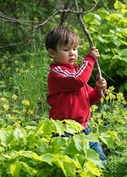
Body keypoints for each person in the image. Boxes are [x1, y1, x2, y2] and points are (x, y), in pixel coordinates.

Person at [45, 26, 107, 161]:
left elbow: (89, 98)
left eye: (74, 48)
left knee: (100, 159)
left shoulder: (75, 73)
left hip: (83, 127)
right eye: (66, 50)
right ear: (52, 53)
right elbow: (79, 80)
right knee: (69, 162)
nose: (72, 53)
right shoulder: (58, 73)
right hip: (64, 129)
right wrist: (90, 59)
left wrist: (99, 89)